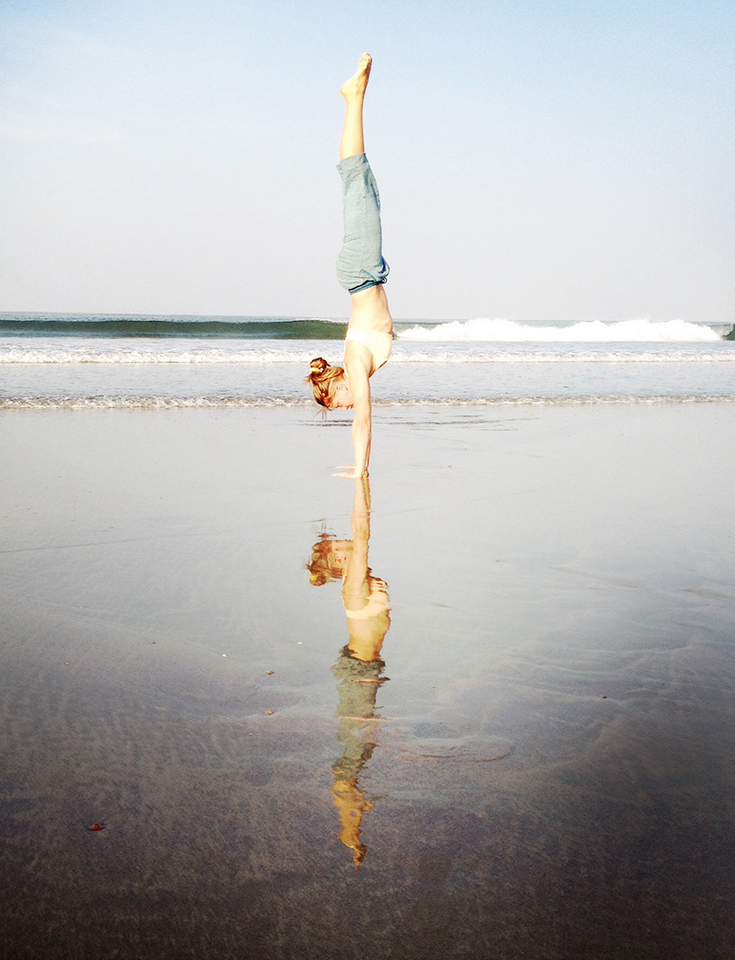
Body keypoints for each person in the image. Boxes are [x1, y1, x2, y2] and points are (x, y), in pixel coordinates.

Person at [306, 54, 393, 479]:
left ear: (338, 385)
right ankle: (355, 98)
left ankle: (352, 98)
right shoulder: (359, 363)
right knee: (363, 184)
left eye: (337, 403)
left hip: (361, 271)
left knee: (354, 179)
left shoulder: (356, 362)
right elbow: (362, 416)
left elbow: (364, 421)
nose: (346, 407)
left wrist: (361, 471)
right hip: (365, 271)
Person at [306, 476, 391, 867]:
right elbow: (363, 530)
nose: (349, 550)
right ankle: (348, 823)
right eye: (341, 553)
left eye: (347, 549)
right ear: (339, 566)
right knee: (356, 747)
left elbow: (361, 538)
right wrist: (361, 483)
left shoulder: (357, 577)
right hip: (359, 669)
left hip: (361, 667)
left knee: (358, 742)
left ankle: (349, 808)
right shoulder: (354, 583)